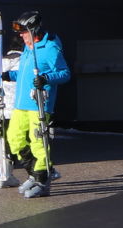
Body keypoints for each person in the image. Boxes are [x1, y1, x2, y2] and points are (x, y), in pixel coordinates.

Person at [4, 11, 72, 197]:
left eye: (24, 32)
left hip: (39, 104)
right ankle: (35, 174)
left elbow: (65, 73)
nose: (21, 36)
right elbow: (27, 75)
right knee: (14, 139)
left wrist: (46, 78)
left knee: (38, 143)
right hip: (21, 104)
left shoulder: (49, 48)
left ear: (33, 30)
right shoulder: (28, 48)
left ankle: (43, 181)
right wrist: (9, 76)